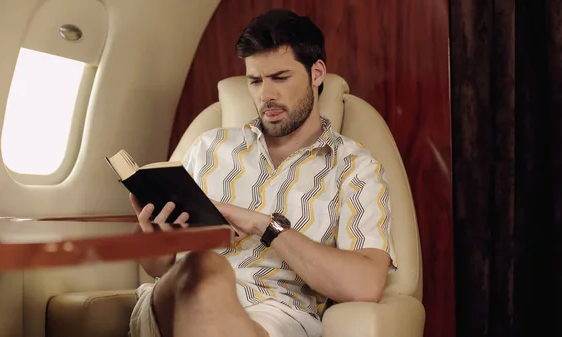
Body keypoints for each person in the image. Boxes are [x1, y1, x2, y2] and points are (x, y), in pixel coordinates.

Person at [128, 8, 396, 337]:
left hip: (276, 316)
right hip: (175, 301)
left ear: (317, 73)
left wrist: (262, 225)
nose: (265, 94)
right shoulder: (208, 147)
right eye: (255, 80)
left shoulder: (355, 167)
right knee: (203, 267)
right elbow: (159, 268)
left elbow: (365, 284)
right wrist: (156, 245)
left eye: (280, 78)